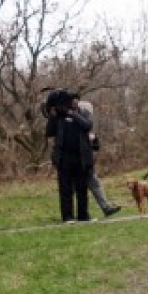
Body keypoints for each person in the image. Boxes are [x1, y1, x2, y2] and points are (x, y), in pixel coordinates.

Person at [43, 88, 96, 222]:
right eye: (71, 101)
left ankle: (83, 216)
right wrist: (52, 116)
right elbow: (49, 132)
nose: (73, 103)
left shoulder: (81, 113)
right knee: (65, 190)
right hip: (64, 158)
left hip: (81, 157)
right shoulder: (59, 117)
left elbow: (87, 125)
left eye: (75, 101)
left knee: (82, 189)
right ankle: (68, 216)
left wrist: (71, 114)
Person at [77, 99, 122, 218]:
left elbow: (96, 147)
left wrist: (94, 139)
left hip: (87, 161)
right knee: (81, 188)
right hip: (78, 161)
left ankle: (105, 207)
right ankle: (78, 214)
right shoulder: (77, 124)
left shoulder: (87, 125)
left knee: (95, 184)